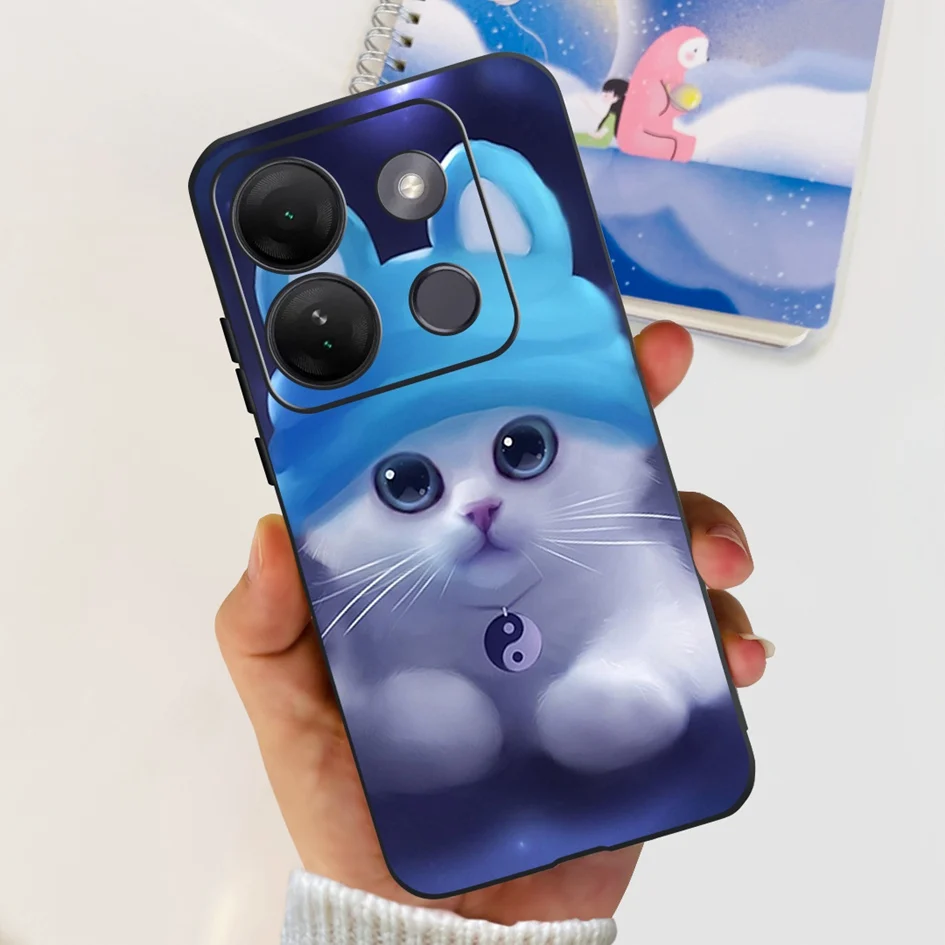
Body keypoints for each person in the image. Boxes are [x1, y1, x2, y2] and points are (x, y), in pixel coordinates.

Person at [215, 321, 774, 944]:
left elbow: (666, 624)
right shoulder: (366, 618)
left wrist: (640, 679)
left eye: (521, 450)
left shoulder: (620, 557)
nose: (478, 506)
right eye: (408, 485)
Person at [575, 78, 629, 150]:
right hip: (601, 140)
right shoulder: (612, 113)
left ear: (617, 97)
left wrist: (590, 134)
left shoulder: (613, 116)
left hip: (601, 140)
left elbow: (600, 135)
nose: (603, 97)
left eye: (606, 95)